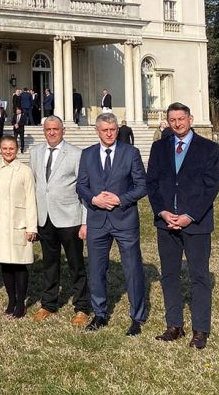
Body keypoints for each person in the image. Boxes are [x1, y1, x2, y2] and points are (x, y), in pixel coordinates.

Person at [146, 103, 219, 350]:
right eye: (173, 120)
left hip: (196, 224)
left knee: (199, 276)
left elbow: (211, 187)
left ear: (190, 119)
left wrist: (190, 215)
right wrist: (162, 211)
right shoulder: (159, 147)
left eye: (181, 118)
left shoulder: (208, 148)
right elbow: (152, 183)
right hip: (166, 222)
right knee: (169, 275)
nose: (177, 123)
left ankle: (200, 330)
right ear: (168, 122)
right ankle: (174, 325)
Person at [77, 112, 148, 336]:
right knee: (97, 269)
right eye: (105, 130)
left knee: (132, 268)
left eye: (113, 130)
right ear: (97, 131)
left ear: (118, 130)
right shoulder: (87, 154)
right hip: (97, 220)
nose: (109, 134)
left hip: (124, 219)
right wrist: (93, 199)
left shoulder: (131, 153)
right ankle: (99, 313)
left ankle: (137, 317)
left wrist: (120, 199)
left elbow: (142, 186)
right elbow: (81, 185)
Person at [30, 116, 92, 327]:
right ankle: (48, 303)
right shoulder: (35, 152)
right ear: (44, 131)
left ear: (63, 130)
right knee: (49, 263)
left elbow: (84, 189)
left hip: (69, 218)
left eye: (55, 129)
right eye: (48, 129)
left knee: (76, 264)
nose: (52, 132)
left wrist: (84, 221)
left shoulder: (76, 154)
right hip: (45, 217)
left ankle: (82, 307)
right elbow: (36, 185)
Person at [0, 136, 38, 319]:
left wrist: (32, 227)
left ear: (17, 149)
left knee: (19, 264)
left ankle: (21, 304)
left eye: (11, 148)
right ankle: (12, 300)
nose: (8, 151)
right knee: (5, 263)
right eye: (5, 148)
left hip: (19, 224)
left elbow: (31, 199)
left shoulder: (25, 171)